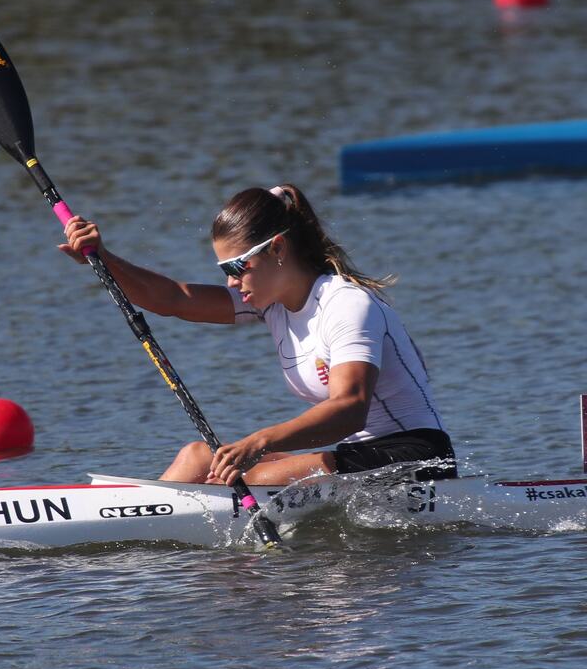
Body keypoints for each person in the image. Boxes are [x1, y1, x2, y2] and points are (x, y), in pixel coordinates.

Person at [58, 184, 456, 486]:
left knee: (239, 477)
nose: (231, 282)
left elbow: (350, 408)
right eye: (224, 271)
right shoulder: (272, 302)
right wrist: (102, 257)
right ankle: (131, 524)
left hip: (418, 459)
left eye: (237, 267)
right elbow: (173, 299)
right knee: (199, 458)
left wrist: (260, 441)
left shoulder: (347, 305)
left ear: (277, 249)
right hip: (354, 457)